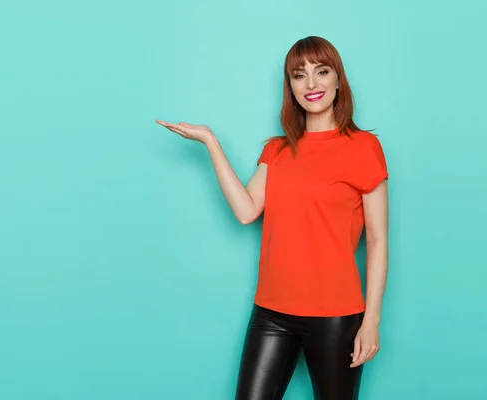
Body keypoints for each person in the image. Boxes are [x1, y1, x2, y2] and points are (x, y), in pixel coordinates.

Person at [156, 36, 389, 400]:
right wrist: (210, 142)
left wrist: (371, 320)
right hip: (272, 313)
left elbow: (377, 241)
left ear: (338, 80)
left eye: (321, 72)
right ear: (291, 87)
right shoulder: (277, 149)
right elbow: (247, 211)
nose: (311, 84)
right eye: (299, 75)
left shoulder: (363, 148)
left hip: (336, 316)